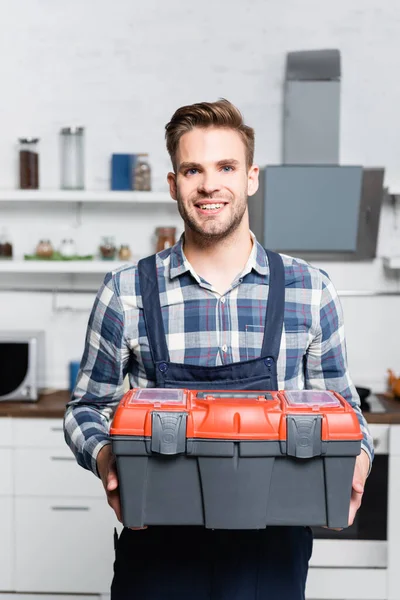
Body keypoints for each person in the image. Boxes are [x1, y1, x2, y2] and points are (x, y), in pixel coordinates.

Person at [64, 98, 373, 600]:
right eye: (193, 169)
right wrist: (106, 459)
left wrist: (355, 459)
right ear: (174, 184)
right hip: (157, 549)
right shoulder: (125, 291)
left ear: (251, 177)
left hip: (272, 553)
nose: (209, 185)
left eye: (225, 167)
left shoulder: (310, 289)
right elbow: (86, 408)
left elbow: (345, 411)